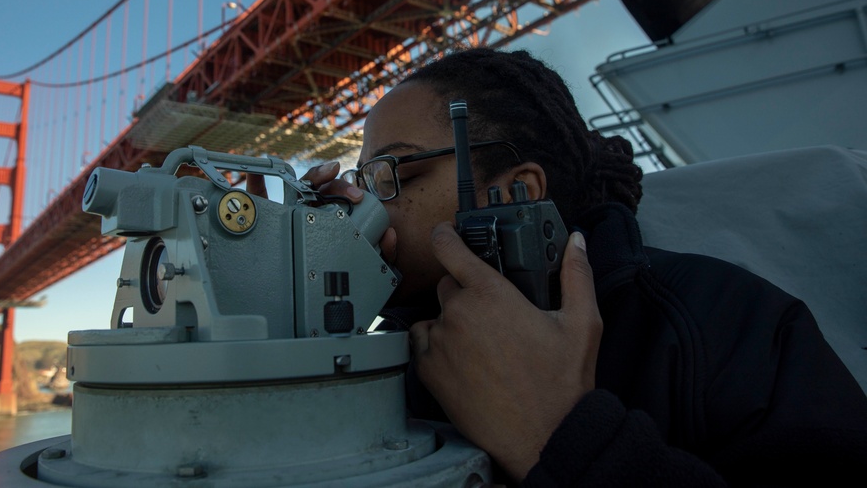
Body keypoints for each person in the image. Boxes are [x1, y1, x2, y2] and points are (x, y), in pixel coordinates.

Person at [279, 47, 867, 486]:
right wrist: (290, 296)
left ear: (515, 192)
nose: (367, 205)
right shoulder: (385, 353)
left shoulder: (726, 326)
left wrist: (563, 436)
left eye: (395, 174)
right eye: (363, 178)